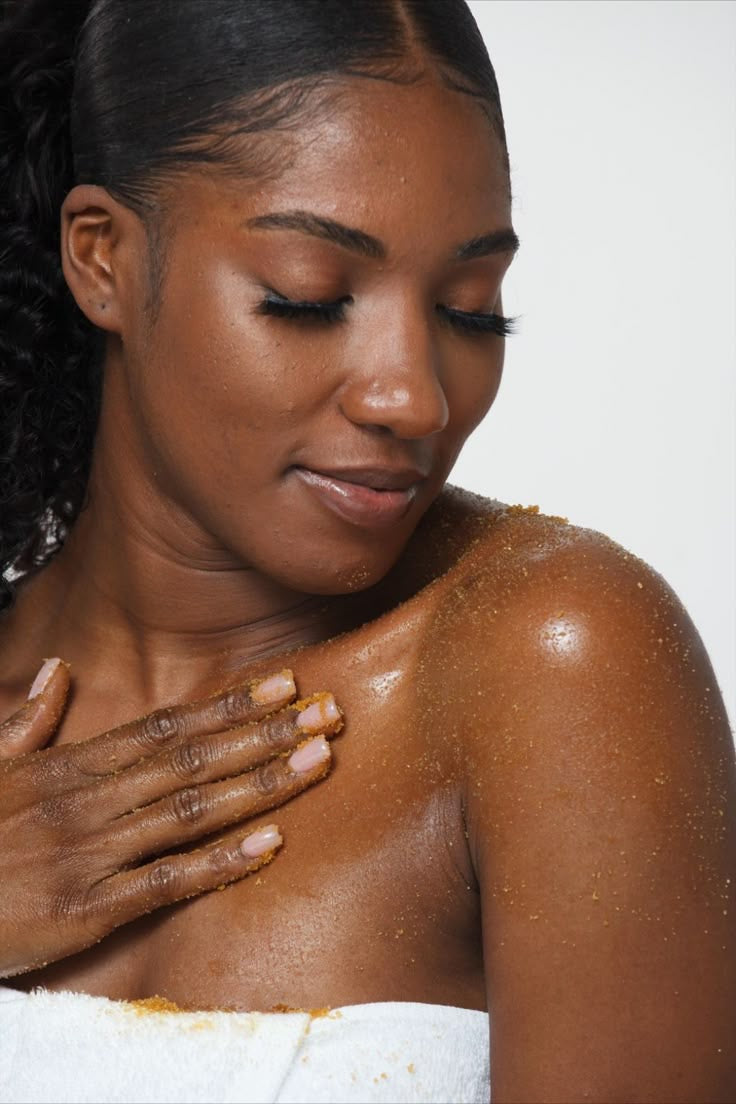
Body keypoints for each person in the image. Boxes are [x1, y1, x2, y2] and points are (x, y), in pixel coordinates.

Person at [0, 1, 733, 1101]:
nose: (414, 395)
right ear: (101, 258)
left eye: (472, 311)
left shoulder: (550, 663)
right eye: (308, 299)